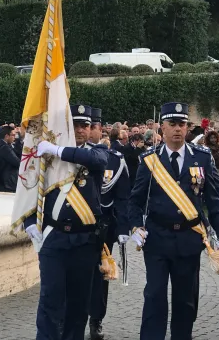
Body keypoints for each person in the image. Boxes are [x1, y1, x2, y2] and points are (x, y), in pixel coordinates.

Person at [129, 102, 219, 340]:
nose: (177, 129)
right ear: (162, 127)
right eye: (172, 124)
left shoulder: (202, 158)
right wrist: (135, 226)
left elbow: (215, 199)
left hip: (188, 238)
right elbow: (135, 200)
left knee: (185, 300)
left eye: (181, 124)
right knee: (154, 295)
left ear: (187, 128)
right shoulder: (149, 160)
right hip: (157, 239)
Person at [24, 104, 109, 340]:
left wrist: (57, 149)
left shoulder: (97, 152)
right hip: (55, 238)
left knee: (79, 304)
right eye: (76, 125)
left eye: (86, 125)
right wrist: (29, 221)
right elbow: (29, 189)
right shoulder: (47, 159)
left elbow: (96, 160)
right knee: (50, 300)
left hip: (85, 241)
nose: (81, 130)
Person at [88, 108, 130, 340]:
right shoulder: (69, 156)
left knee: (100, 276)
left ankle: (96, 320)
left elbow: (123, 196)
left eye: (93, 126)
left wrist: (123, 228)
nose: (90, 130)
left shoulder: (116, 159)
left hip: (104, 228)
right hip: (77, 226)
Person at [0, 125, 20, 192]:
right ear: (7, 136)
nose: (15, 137)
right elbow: (17, 162)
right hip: (8, 183)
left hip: (2, 181)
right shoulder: (5, 148)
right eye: (13, 135)